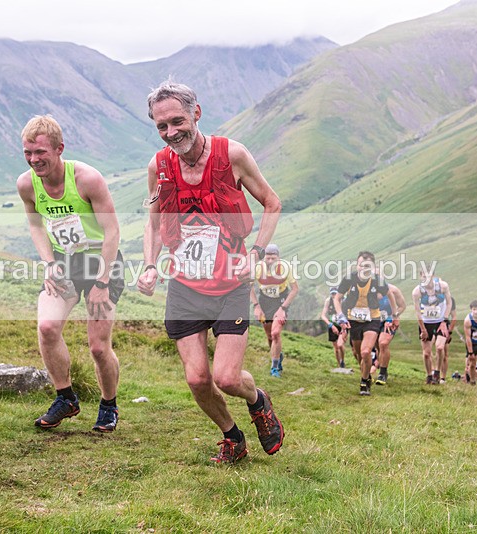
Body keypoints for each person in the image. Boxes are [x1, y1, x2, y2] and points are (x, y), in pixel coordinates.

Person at [137, 81, 284, 464]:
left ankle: (258, 400)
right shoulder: (159, 166)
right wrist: (150, 265)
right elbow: (153, 223)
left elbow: (272, 203)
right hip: (185, 285)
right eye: (161, 126)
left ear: (196, 114)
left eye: (177, 121)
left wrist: (255, 254)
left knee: (227, 378)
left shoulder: (232, 155)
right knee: (197, 379)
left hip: (231, 284)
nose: (171, 133)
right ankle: (232, 437)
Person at [17, 115, 124, 432]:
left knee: (98, 347)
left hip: (100, 263)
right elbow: (35, 224)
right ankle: (66, 398)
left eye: (41, 153)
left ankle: (108, 405)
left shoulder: (88, 180)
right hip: (63, 262)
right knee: (47, 328)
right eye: (28, 153)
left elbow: (112, 231)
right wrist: (50, 263)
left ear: (59, 149)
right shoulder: (27, 184)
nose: (34, 160)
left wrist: (102, 283)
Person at [331, 251, 396, 396]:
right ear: (357, 265)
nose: (364, 268)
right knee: (360, 355)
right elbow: (337, 298)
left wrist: (393, 315)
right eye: (361, 265)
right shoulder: (349, 279)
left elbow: (390, 295)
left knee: (366, 351)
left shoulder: (377, 280)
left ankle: (364, 382)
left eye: (367, 266)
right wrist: (341, 316)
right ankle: (366, 375)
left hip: (372, 319)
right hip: (353, 320)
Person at [250, 243, 299, 377]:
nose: (270, 261)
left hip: (281, 300)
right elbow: (249, 286)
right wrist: (256, 306)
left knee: (276, 333)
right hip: (265, 301)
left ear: (278, 258)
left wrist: (283, 308)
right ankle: (278, 355)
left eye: (273, 258)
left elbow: (295, 289)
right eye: (268, 258)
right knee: (269, 335)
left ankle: (275, 367)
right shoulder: (258, 268)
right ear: (263, 257)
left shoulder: (285, 267)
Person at [412, 272, 453, 385]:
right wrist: (423, 329)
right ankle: (429, 376)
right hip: (426, 323)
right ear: (421, 277)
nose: (426, 279)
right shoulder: (417, 291)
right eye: (424, 277)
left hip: (441, 322)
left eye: (429, 277)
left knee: (440, 348)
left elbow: (449, 303)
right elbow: (417, 312)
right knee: (426, 353)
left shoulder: (443, 286)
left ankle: (437, 373)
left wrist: (445, 320)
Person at [374, 282, 406, 385]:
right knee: (378, 346)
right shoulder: (366, 289)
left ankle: (382, 374)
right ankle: (382, 370)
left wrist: (393, 317)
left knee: (383, 343)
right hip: (373, 321)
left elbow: (402, 306)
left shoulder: (393, 290)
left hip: (389, 320)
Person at [320, 287, 347, 369]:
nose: (334, 295)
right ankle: (339, 365)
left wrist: (344, 328)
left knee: (340, 345)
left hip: (342, 325)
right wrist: (330, 325)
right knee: (336, 348)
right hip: (332, 325)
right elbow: (323, 315)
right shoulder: (328, 301)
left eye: (335, 293)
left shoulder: (344, 300)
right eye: (332, 294)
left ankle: (342, 360)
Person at [439, 296, 457, 384]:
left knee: (444, 352)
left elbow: (454, 316)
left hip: (445, 326)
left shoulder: (450, 299)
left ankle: (443, 377)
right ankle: (434, 373)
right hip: (433, 324)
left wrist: (450, 331)